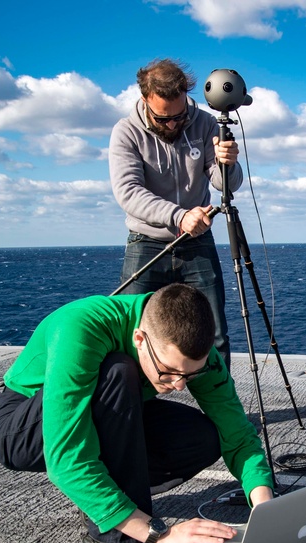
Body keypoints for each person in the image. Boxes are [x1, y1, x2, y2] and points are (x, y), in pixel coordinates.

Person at [0, 284, 274, 543]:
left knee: (205, 436)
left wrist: (266, 514)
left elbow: (237, 434)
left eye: (189, 376)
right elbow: (66, 457)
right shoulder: (82, 327)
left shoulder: (195, 357)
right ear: (140, 338)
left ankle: (106, 498)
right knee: (118, 371)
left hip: (104, 411)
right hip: (19, 427)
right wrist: (157, 535)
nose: (178, 385)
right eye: (168, 373)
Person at [109, 58, 239, 370]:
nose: (172, 125)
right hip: (146, 242)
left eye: (179, 117)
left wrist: (228, 163)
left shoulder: (205, 123)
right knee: (130, 330)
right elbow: (128, 191)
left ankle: (221, 416)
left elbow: (225, 186)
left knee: (214, 332)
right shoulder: (126, 132)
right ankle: (133, 411)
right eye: (162, 118)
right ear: (145, 100)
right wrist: (179, 216)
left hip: (197, 241)